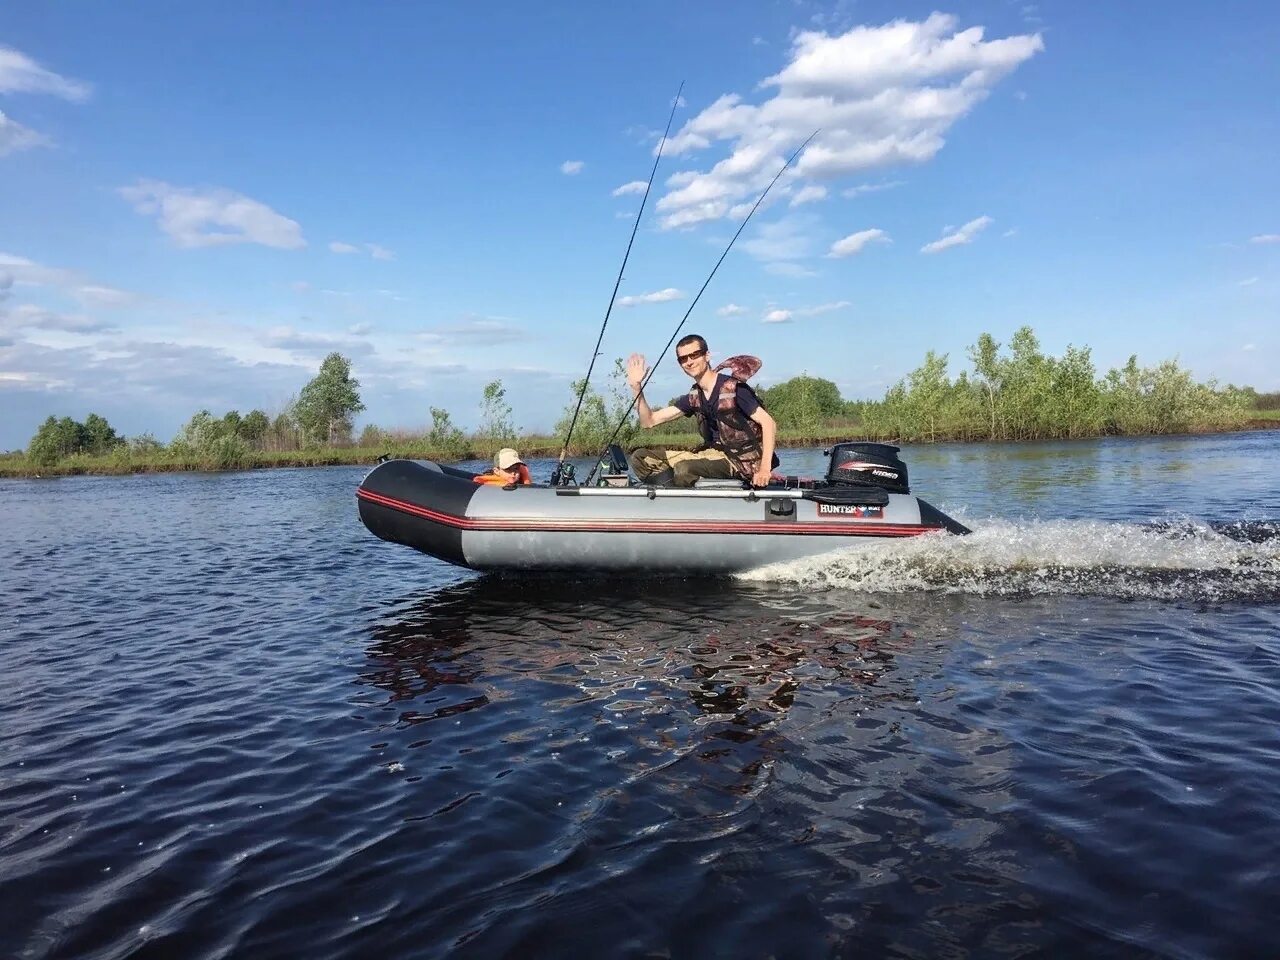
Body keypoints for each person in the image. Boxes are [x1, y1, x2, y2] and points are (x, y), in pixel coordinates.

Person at [626, 334, 777, 488]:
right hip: (711, 454)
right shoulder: (694, 396)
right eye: (683, 359)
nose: (689, 362)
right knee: (640, 458)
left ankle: (680, 498)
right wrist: (635, 386)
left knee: (684, 468)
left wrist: (765, 469)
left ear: (707, 356)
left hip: (742, 461)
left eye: (694, 355)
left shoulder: (734, 389)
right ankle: (670, 494)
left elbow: (768, 423)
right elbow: (648, 421)